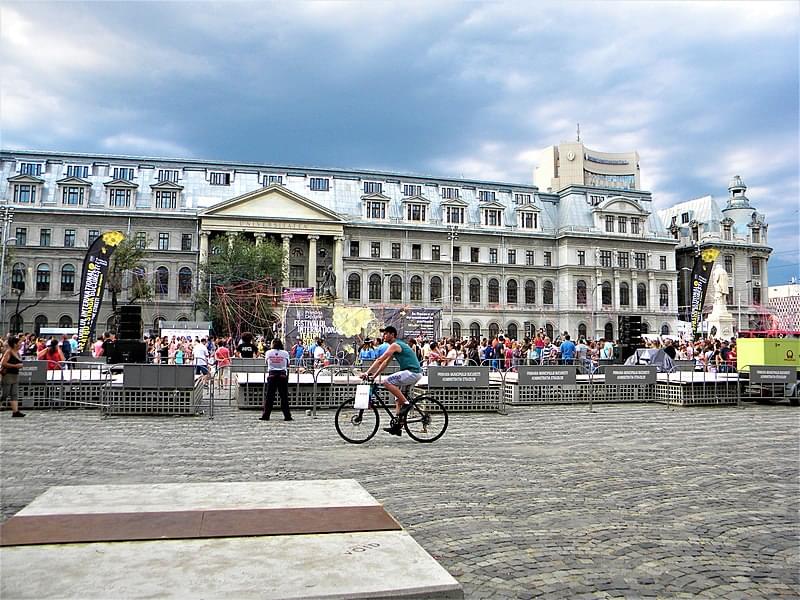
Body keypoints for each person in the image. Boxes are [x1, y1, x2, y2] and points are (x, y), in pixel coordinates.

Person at [360, 325, 423, 436]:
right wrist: (373, 376)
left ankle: (407, 404)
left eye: (385, 333)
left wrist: (366, 372)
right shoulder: (395, 346)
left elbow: (380, 360)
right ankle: (398, 427)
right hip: (412, 373)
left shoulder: (395, 345)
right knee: (398, 400)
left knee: (386, 382)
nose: (383, 336)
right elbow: (384, 363)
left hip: (412, 372)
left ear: (392, 335)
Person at [260, 338, 293, 421]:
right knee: (284, 396)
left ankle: (266, 415)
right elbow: (288, 364)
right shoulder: (285, 353)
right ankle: (287, 415)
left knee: (269, 396)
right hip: (282, 375)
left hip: (272, 375)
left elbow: (266, 363)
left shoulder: (268, 353)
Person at [2, 336, 25, 417]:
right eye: (19, 343)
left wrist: (19, 365)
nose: (21, 344)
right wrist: (15, 366)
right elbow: (3, 363)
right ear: (15, 344)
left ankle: (15, 411)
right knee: (5, 394)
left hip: (15, 375)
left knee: (14, 394)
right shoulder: (9, 352)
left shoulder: (17, 353)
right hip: (8, 375)